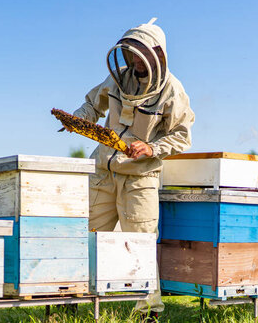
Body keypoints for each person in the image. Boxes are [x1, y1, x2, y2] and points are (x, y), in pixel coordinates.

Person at [71, 18, 195, 321]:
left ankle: (148, 312)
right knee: (83, 234)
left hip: (140, 178)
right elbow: (93, 104)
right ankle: (69, 298)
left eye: (141, 56)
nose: (136, 61)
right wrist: (77, 118)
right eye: (132, 55)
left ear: (157, 55)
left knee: (140, 243)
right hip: (103, 170)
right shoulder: (116, 79)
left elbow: (181, 135)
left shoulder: (172, 91)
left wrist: (152, 148)